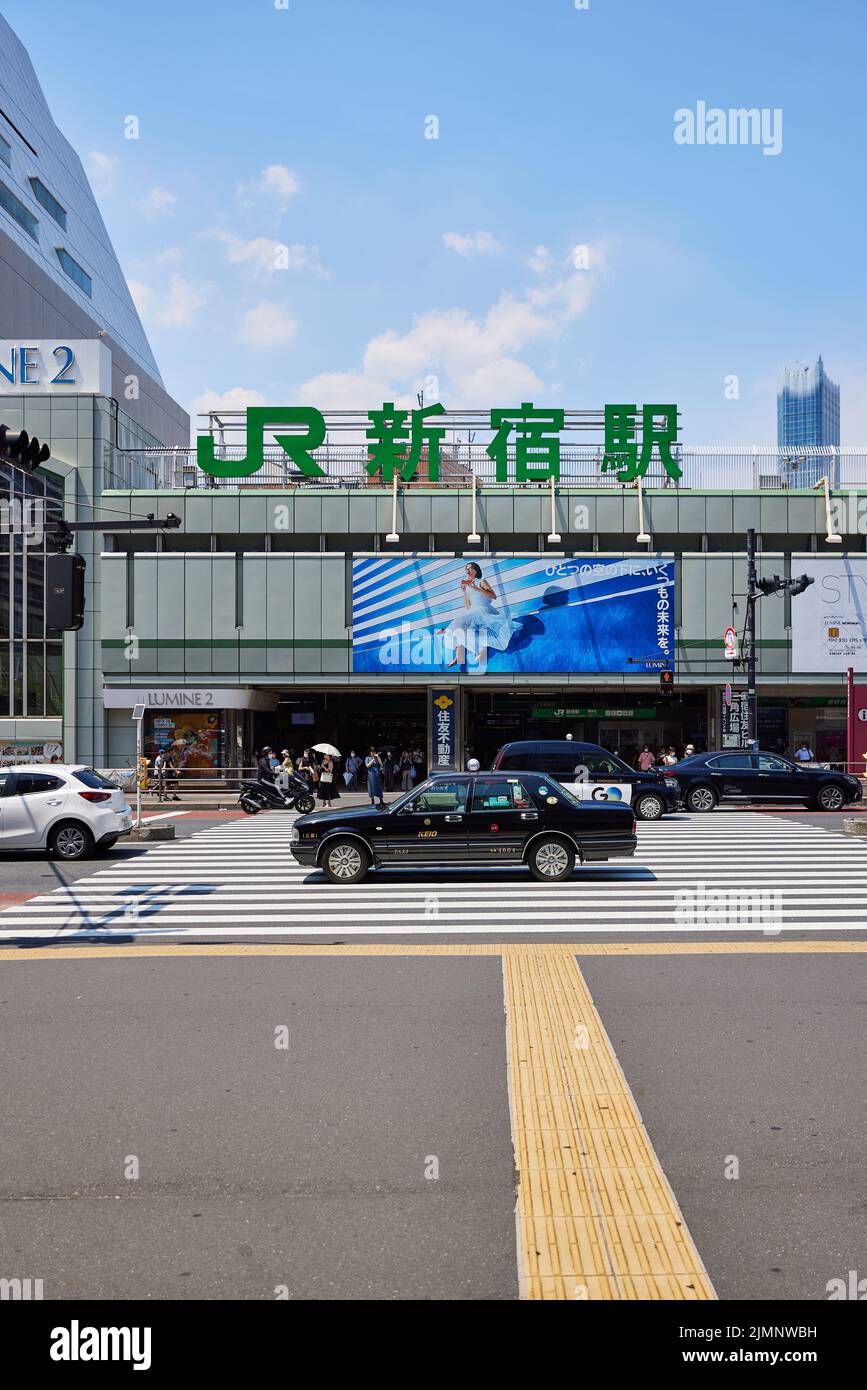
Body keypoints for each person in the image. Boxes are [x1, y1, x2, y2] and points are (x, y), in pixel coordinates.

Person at [437, 562, 520, 668]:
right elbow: (468, 606)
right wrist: (464, 591)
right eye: (466, 569)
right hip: (474, 613)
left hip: (485, 611)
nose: (468, 570)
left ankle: (479, 652)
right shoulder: (468, 587)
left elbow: (493, 596)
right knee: (458, 628)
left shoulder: (482, 581)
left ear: (476, 570)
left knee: (465, 628)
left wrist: (476, 588)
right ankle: (460, 656)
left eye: (470, 568)